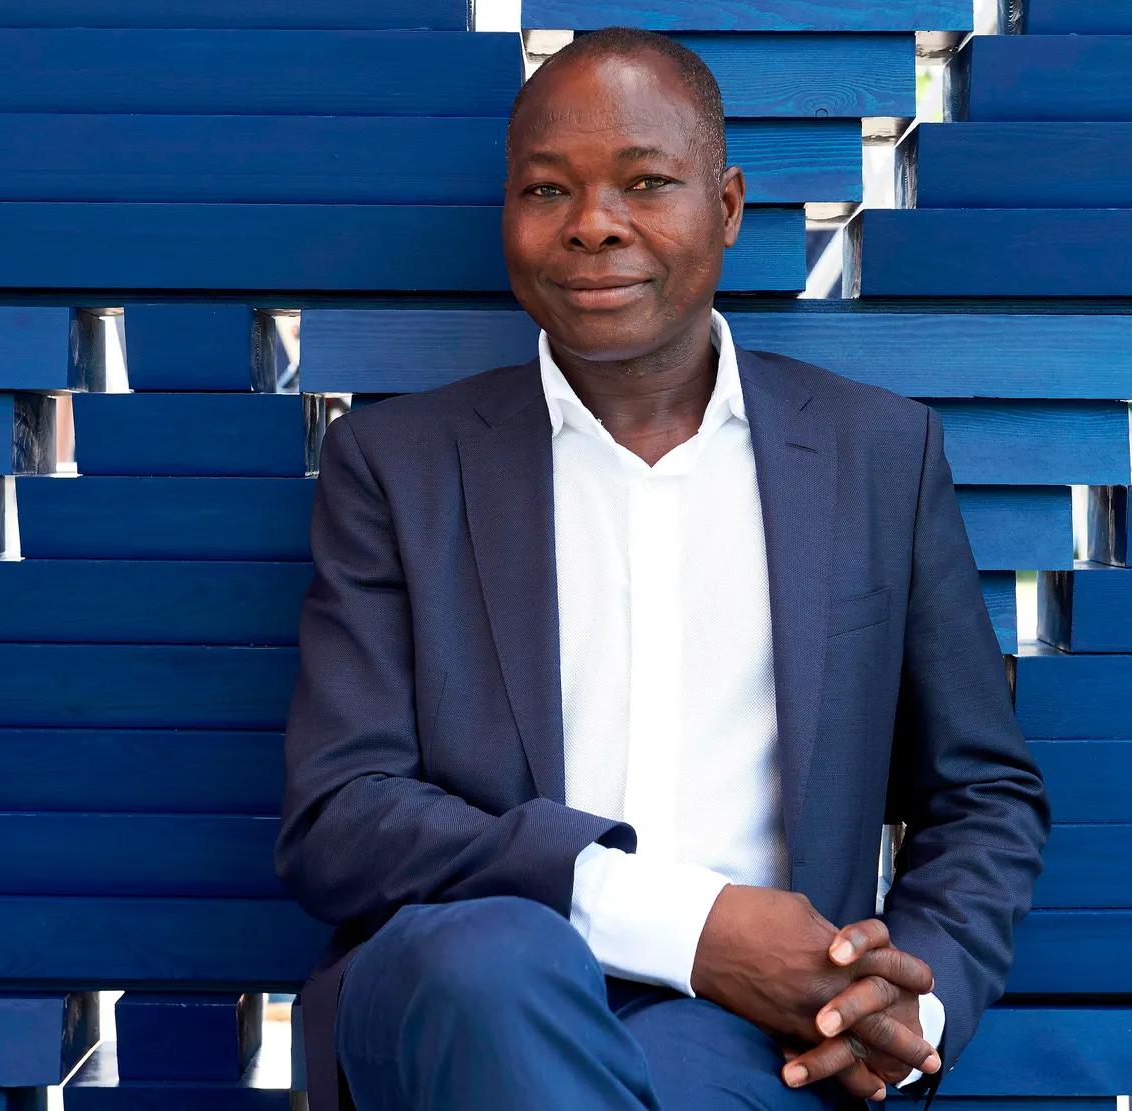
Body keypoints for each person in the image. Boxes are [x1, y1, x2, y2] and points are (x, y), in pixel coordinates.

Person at [276, 27, 1049, 1111]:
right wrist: (692, 926)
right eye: (547, 190)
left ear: (726, 207)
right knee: (497, 959)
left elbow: (981, 793)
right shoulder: (397, 467)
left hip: (746, 1035)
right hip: (451, 992)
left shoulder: (876, 456)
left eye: (645, 183)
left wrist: (907, 1006)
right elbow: (340, 816)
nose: (594, 223)